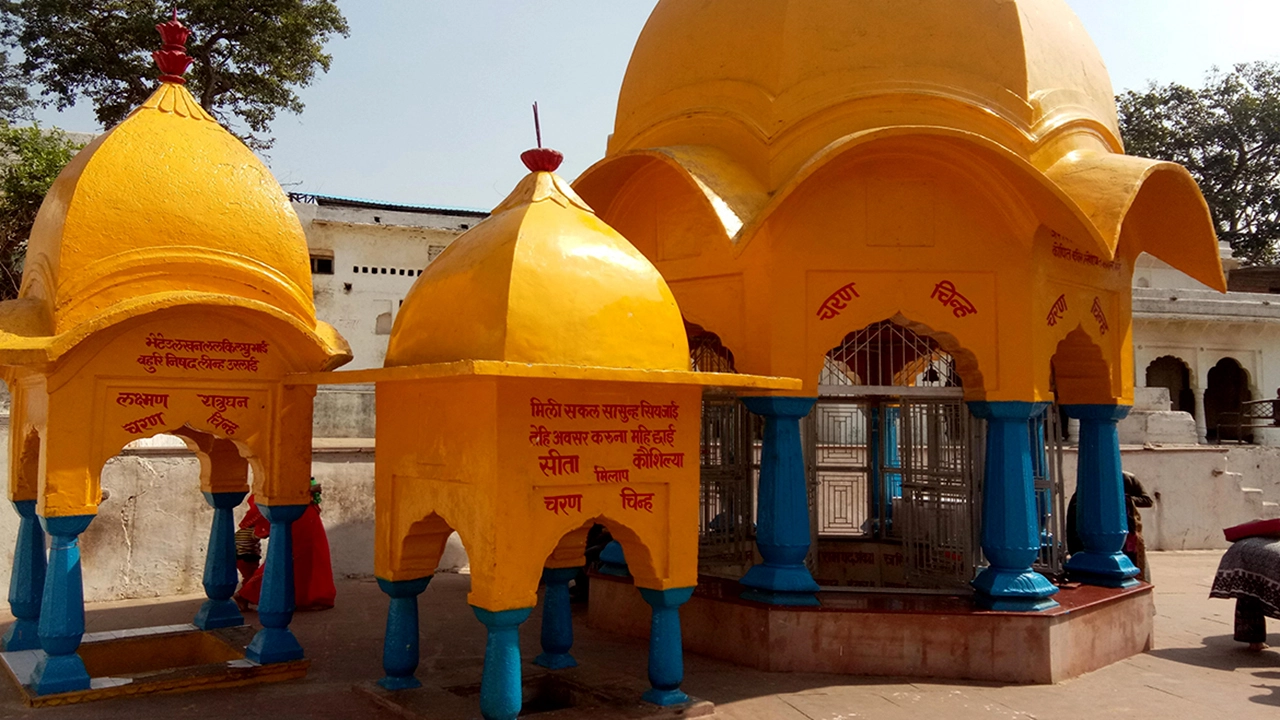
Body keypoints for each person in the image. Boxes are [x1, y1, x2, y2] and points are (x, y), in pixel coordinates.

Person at [235, 479, 336, 611]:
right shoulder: (273, 469)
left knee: (312, 555)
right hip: (295, 513)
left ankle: (309, 597)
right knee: (291, 556)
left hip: (306, 513)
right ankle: (247, 594)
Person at [1211, 534, 1280, 651]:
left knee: (1250, 593)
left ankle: (1254, 640)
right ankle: (1254, 640)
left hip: (1247, 551)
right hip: (1256, 555)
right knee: (1250, 593)